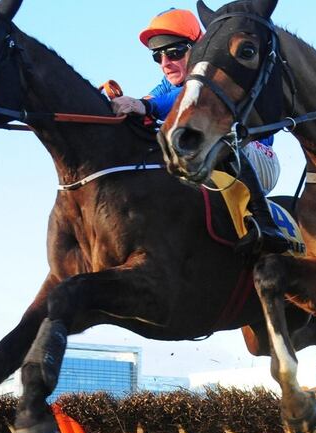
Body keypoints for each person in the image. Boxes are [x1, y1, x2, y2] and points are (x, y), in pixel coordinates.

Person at [111, 8, 290, 255]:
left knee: (217, 137)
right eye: (158, 56)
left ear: (198, 48)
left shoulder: (215, 72)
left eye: (174, 52)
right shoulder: (167, 83)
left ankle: (266, 224)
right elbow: (147, 100)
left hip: (257, 157)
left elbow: (177, 99)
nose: (165, 63)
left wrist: (147, 106)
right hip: (218, 159)